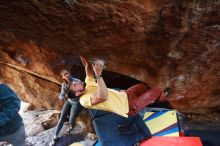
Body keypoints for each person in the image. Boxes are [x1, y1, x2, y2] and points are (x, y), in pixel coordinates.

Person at [68, 56, 171, 139]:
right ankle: (162, 97)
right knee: (158, 88)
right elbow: (103, 96)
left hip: (127, 94)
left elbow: (87, 66)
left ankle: (158, 97)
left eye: (75, 81)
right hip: (130, 106)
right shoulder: (83, 100)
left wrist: (82, 53)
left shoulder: (88, 84)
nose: (77, 82)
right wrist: (98, 75)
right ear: (77, 93)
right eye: (75, 85)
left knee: (145, 86)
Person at [49, 70, 82, 146]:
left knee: (71, 118)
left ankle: (71, 127)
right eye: (65, 74)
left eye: (67, 73)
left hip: (76, 102)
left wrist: (80, 92)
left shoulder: (77, 81)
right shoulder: (64, 85)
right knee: (61, 118)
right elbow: (62, 94)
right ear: (63, 77)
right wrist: (61, 96)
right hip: (69, 101)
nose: (67, 74)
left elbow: (83, 88)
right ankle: (55, 136)